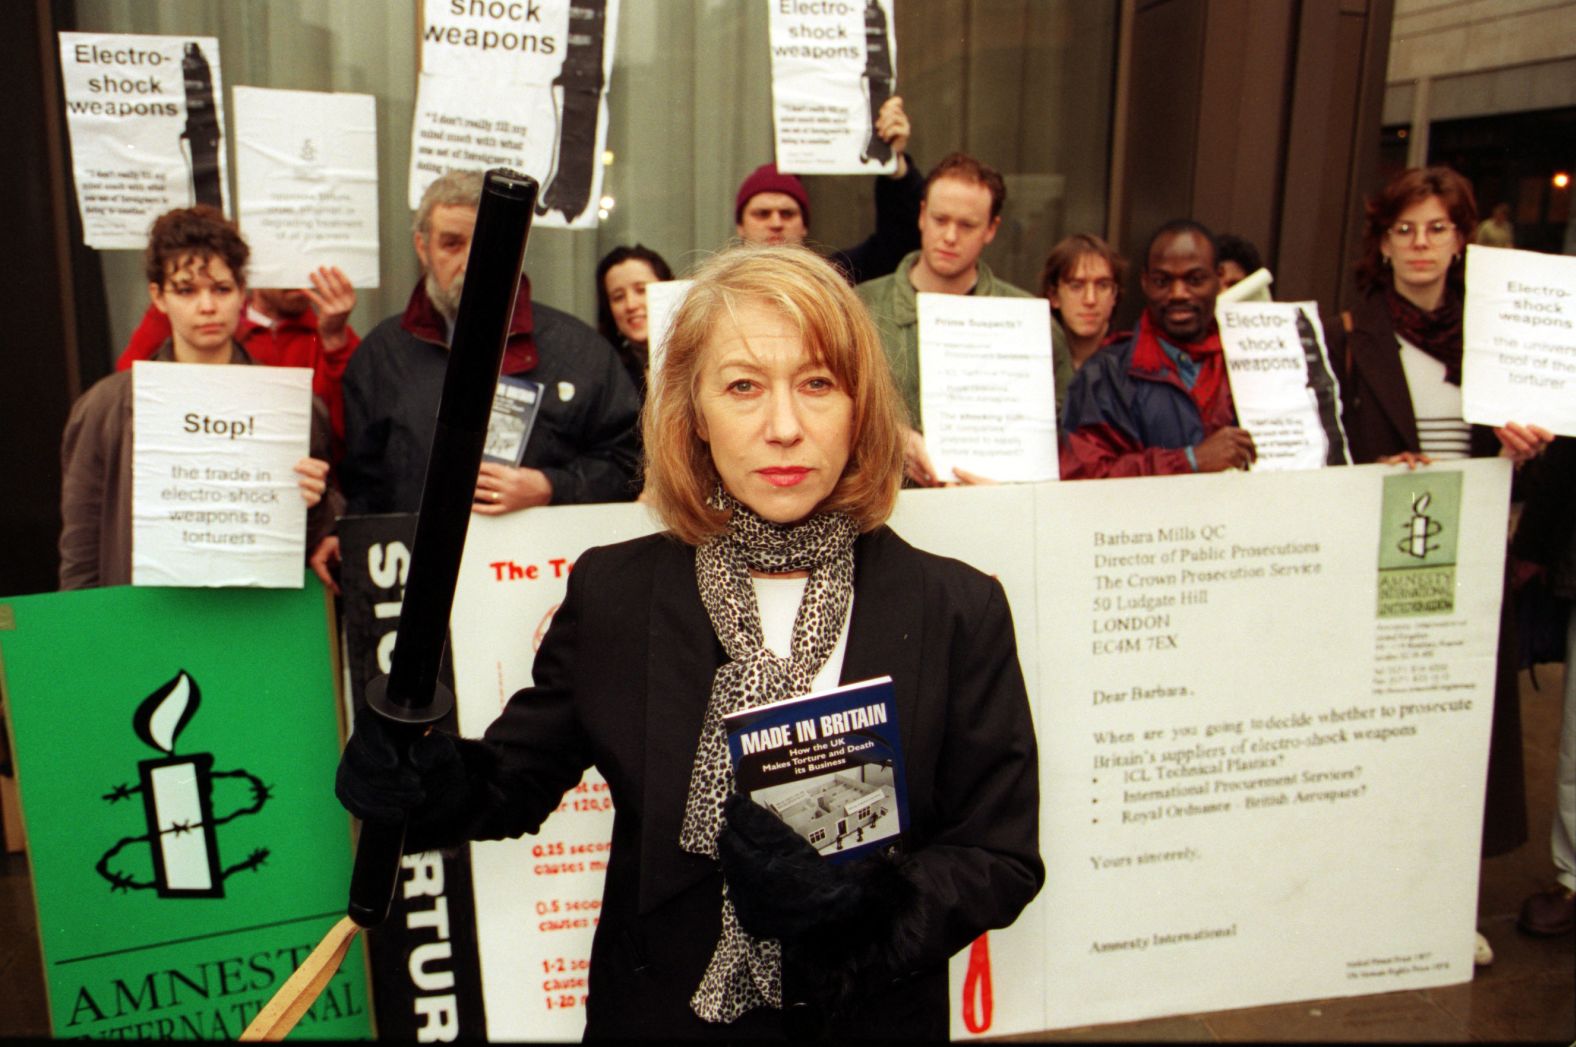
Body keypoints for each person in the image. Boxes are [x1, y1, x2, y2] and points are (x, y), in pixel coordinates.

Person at [334, 244, 1043, 1039]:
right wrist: (426, 779)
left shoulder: (955, 607)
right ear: (695, 413)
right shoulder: (618, 593)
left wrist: (862, 916)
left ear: (862, 406)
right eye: (743, 386)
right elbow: (511, 782)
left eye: (817, 383)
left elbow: (998, 853)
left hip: (869, 1017)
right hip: (661, 1012)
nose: (783, 427)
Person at [1325, 165, 1553, 966]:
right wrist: (1377, 467)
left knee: (1461, 738)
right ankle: (1375, 893)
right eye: (1404, 230)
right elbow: (1326, 449)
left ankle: (1449, 904)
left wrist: (1528, 450)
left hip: (1476, 557)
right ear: (1382, 243)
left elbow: (1537, 471)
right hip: (1385, 556)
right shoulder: (1351, 332)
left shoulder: (1508, 334)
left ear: (1462, 240)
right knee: (1386, 732)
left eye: (1437, 229)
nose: (1420, 245)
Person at [317, 171, 641, 588]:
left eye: (488, 243)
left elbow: (631, 464)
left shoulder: (578, 351)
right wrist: (344, 535)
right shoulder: (381, 356)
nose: (471, 259)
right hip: (416, 593)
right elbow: (363, 486)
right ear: (423, 247)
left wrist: (548, 486)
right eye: (452, 243)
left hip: (537, 589)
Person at [59, 206, 338, 590]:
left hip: (250, 620)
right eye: (186, 290)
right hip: (144, 624)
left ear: (242, 292)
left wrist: (315, 502)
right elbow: (81, 549)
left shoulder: (290, 407)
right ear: (158, 296)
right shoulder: (105, 408)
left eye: (221, 289)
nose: (207, 306)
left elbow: (313, 551)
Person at [857, 151, 1071, 486]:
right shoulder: (861, 307)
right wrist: (891, 436)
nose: (950, 236)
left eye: (967, 225)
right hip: (883, 514)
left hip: (993, 513)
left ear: (991, 229)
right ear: (922, 215)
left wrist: (1015, 483)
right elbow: (825, 409)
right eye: (941, 220)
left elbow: (1061, 436)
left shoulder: (1031, 325)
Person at [1059, 219, 1256, 479]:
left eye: (1194, 279)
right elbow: (1083, 477)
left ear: (1218, 278)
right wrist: (1188, 461)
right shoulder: (1106, 375)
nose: (1178, 294)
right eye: (1163, 281)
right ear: (1145, 282)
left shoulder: (1255, 361)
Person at [113, 266, 360, 458]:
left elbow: (353, 434)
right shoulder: (212, 330)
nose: (300, 276)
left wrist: (336, 342)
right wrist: (172, 297)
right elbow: (131, 395)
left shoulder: (332, 338)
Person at [734, 96, 921, 285]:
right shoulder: (717, 289)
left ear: (805, 226)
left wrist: (894, 165)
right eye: (762, 214)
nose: (776, 223)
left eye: (787, 214)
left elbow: (897, 243)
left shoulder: (831, 280)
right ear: (740, 226)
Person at [595, 243, 675, 402]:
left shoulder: (698, 355)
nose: (631, 305)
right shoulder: (606, 373)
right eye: (618, 297)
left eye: (641, 290)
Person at [1040, 233, 1127, 370]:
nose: (1090, 299)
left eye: (1103, 285)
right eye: (1076, 286)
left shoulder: (1133, 364)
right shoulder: (1035, 360)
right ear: (1054, 296)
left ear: (1114, 295)